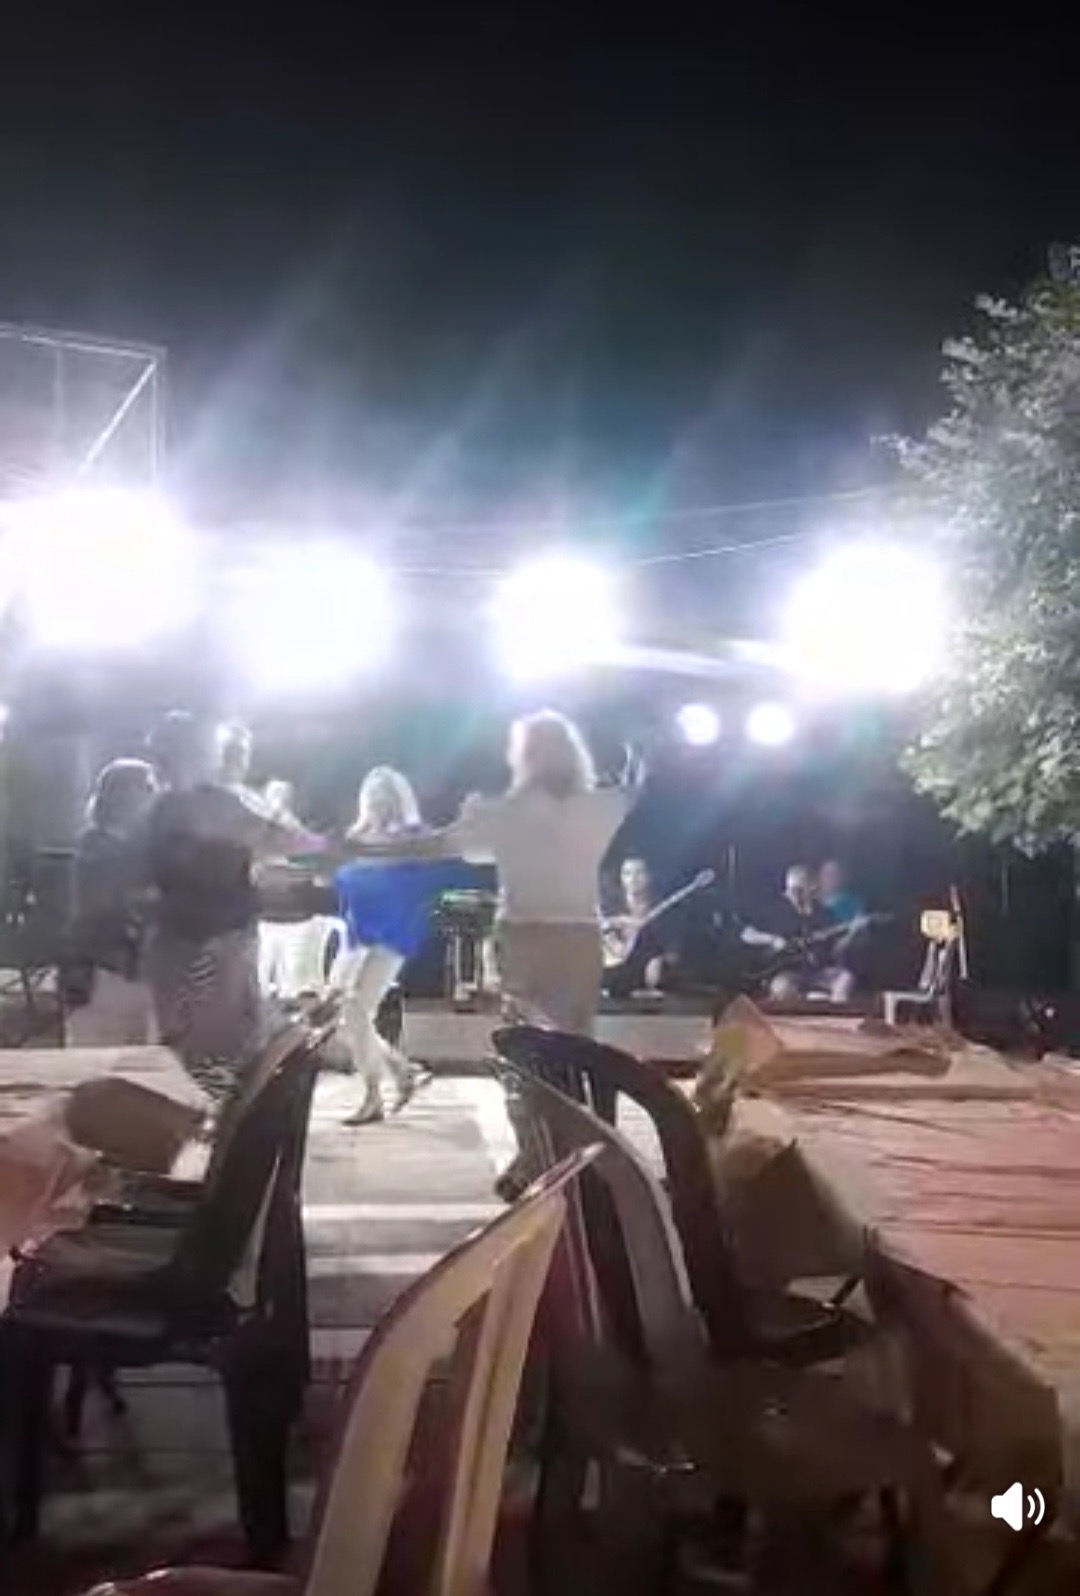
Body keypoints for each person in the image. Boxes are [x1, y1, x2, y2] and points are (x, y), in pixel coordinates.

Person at [343, 713, 641, 1184]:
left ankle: (532, 1155)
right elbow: (633, 788)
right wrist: (637, 754)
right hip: (578, 937)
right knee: (579, 1045)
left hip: (521, 936)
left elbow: (437, 847)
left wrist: (370, 850)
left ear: (523, 756)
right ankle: (591, 1150)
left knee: (521, 1051)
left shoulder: (502, 812)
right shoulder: (598, 806)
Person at [141, 712, 322, 1099]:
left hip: (178, 946)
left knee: (193, 1055)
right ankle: (212, 1125)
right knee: (222, 1056)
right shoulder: (211, 805)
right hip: (216, 944)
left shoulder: (161, 808)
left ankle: (198, 1120)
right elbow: (296, 843)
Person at [332, 767, 443, 1124]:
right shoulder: (357, 836)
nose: (378, 801)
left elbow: (423, 883)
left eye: (386, 795)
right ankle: (402, 1069)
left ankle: (373, 1095)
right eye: (373, 794)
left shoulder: (413, 837)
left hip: (393, 934)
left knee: (357, 1007)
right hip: (357, 936)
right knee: (341, 1018)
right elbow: (344, 885)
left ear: (398, 799)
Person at [64, 759, 158, 1046]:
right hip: (105, 973)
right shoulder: (100, 850)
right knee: (99, 1056)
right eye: (148, 788)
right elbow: (107, 911)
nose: (156, 796)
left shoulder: (133, 848)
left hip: (133, 971)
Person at [741, 862, 856, 1003]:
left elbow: (836, 947)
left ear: (812, 887)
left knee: (845, 978)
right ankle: (809, 1001)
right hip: (787, 972)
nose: (791, 895)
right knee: (782, 988)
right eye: (789, 890)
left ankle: (832, 1012)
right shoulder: (775, 911)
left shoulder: (825, 914)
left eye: (797, 890)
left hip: (816, 971)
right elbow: (746, 934)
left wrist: (847, 940)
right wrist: (772, 940)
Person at [602, 856, 671, 994]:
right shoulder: (608, 907)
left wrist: (659, 960)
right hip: (616, 970)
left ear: (649, 876)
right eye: (627, 873)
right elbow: (617, 950)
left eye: (639, 873)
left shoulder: (662, 909)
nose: (633, 879)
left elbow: (668, 948)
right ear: (621, 878)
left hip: (648, 970)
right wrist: (623, 922)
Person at [818, 859, 866, 928]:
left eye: (833, 875)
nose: (829, 879)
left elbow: (858, 922)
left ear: (841, 878)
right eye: (826, 875)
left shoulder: (852, 901)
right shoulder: (812, 900)